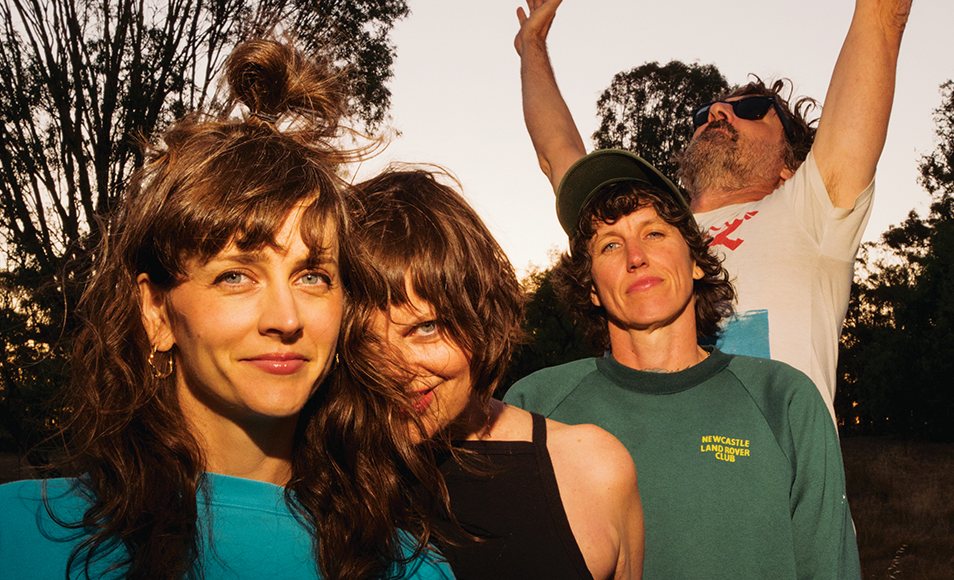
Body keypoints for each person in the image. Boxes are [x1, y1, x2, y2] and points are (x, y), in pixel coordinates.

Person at [0, 39, 454, 580]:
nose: (286, 318)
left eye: (312, 276)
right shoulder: (6, 537)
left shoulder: (410, 568)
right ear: (156, 312)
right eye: (235, 276)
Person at [513, 0, 913, 422]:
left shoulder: (813, 209)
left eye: (753, 110)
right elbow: (558, 156)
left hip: (772, 480)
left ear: (788, 166)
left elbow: (882, 21)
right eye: (705, 114)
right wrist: (532, 46)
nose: (718, 111)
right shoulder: (640, 228)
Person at [504, 150, 861, 579]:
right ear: (592, 288)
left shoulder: (783, 400)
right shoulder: (535, 406)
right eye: (610, 244)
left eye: (654, 233)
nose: (635, 256)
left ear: (694, 261)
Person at [350, 168, 644, 580]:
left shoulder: (594, 470)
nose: (395, 370)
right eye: (363, 340)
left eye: (426, 327)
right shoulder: (314, 478)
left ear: (482, 315)